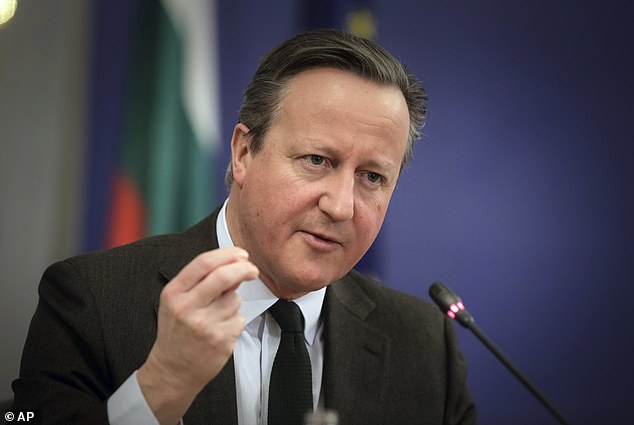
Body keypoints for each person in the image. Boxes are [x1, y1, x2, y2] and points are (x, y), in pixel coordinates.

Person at [12, 29, 476, 425]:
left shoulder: (425, 345)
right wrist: (160, 387)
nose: (341, 206)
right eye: (317, 160)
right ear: (243, 153)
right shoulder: (89, 300)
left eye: (372, 177)